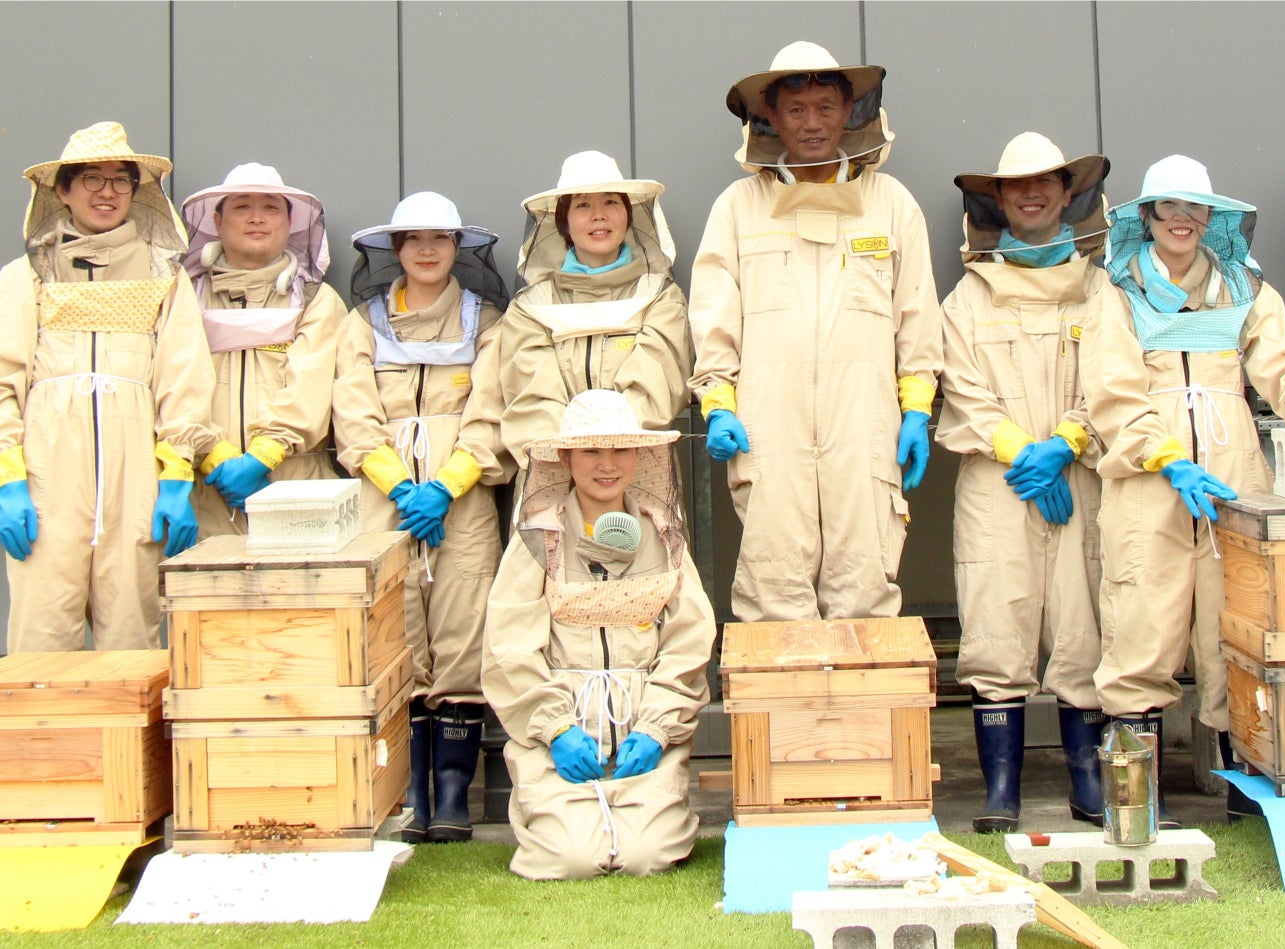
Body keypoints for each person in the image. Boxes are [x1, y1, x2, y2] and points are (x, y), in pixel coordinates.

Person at [1080, 155, 1285, 820]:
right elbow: (1111, 394)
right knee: (1141, 620)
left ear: (1212, 218)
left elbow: (1283, 359)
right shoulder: (1113, 290)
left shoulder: (1246, 286)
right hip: (1151, 484)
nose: (1181, 220)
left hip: (1235, 480)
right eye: (1168, 208)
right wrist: (1168, 457)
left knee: (1237, 627)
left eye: (1194, 208)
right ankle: (1134, 804)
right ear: (1146, 217)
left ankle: (1245, 795)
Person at [689, 40, 943, 622]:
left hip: (868, 422)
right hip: (766, 423)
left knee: (865, 583)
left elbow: (917, 316)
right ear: (770, 117)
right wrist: (718, 404)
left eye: (826, 107)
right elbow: (713, 316)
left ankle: (863, 713)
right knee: (773, 583)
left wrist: (917, 410)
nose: (812, 123)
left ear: (851, 110)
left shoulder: (891, 203)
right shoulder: (738, 206)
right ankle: (782, 714)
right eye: (796, 110)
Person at [0, 121, 212, 652]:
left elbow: (183, 378)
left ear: (137, 190)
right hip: (47, 482)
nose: (106, 192)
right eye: (91, 179)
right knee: (41, 638)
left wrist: (175, 478)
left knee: (131, 644)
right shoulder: (26, 274)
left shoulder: (164, 275)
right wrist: (7, 483)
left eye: (119, 180)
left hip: (136, 481)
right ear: (63, 190)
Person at [936, 133, 1112, 831]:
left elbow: (1112, 380)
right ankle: (1000, 789)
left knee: (1083, 621)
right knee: (994, 623)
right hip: (998, 482)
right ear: (997, 199)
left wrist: (1065, 444)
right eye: (1016, 186)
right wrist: (1024, 456)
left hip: (1080, 475)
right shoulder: (968, 296)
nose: (1031, 195)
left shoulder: (1099, 288)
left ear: (1070, 192)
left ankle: (1086, 777)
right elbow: (965, 389)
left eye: (1045, 183)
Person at [332, 191, 512, 842]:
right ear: (396, 250)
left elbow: (493, 410)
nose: (428, 250)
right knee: (394, 622)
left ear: (459, 248)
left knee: (463, 621)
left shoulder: (487, 320)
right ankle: (407, 786)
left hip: (461, 497)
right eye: (414, 240)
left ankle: (455, 793)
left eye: (441, 239)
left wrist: (447, 486)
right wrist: (402, 489)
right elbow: (352, 416)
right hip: (385, 498)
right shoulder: (361, 322)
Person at [483, 388, 714, 880]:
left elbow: (689, 640)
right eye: (591, 450)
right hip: (562, 735)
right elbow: (508, 647)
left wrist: (657, 727)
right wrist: (555, 728)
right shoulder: (536, 538)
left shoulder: (663, 533)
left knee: (646, 857)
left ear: (638, 456)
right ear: (565, 457)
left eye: (619, 450)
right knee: (573, 858)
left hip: (644, 732)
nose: (606, 465)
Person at [495, 150, 691, 470]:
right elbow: (532, 401)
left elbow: (655, 390)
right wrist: (573, 464)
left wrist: (610, 462)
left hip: (638, 472)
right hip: (553, 473)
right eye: (583, 204)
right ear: (563, 221)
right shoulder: (529, 308)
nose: (598, 215)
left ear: (628, 215)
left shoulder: (660, 297)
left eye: (611, 202)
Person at [180, 164, 344, 534]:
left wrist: (261, 458)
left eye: (271, 208)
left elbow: (311, 389)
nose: (257, 218)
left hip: (295, 488)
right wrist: (215, 458)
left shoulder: (317, 300)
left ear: (289, 222)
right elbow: (176, 386)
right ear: (217, 221)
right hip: (207, 492)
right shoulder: (185, 297)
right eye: (241, 207)